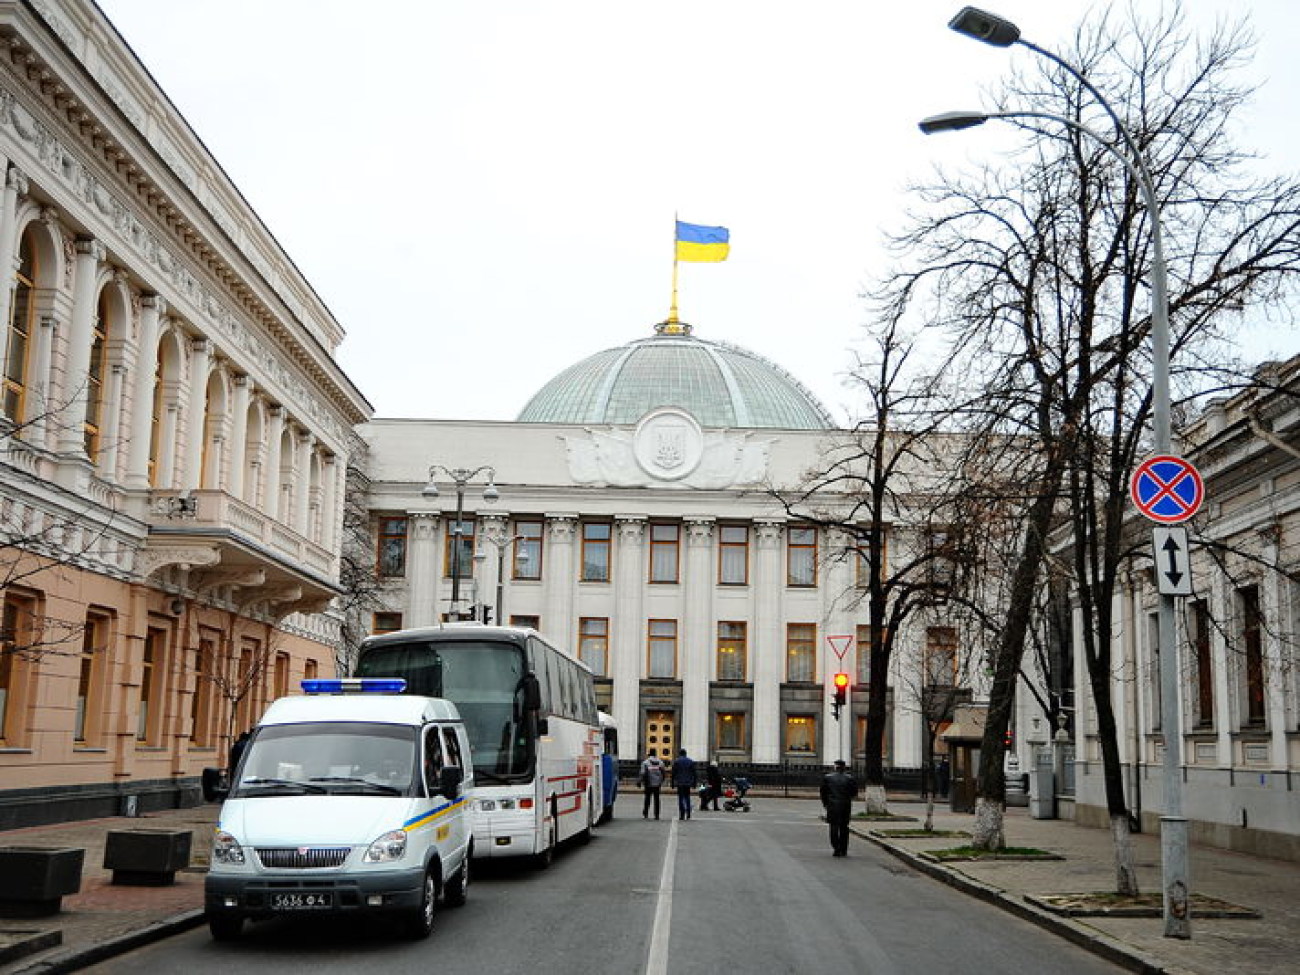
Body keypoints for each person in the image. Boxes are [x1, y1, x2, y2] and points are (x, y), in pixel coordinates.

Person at [820, 759, 859, 856]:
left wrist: (825, 803)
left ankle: (836, 848)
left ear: (835, 767)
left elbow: (823, 792)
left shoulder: (828, 778)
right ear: (844, 767)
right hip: (845, 805)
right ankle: (844, 849)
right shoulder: (850, 778)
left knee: (833, 827)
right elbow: (854, 792)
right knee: (844, 827)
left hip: (832, 805)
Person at [670, 747, 697, 820]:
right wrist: (694, 783)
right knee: (687, 797)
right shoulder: (690, 761)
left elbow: (673, 773)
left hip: (680, 783)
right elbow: (694, 773)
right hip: (688, 783)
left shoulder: (677, 761)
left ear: (679, 754)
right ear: (685, 754)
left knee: (681, 798)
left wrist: (672, 783)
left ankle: (682, 814)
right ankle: (688, 813)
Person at [638, 751, 666, 819]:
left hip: (648, 783)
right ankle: (657, 814)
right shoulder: (660, 762)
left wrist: (639, 781)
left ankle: (646, 813)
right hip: (657, 784)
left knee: (647, 798)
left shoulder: (645, 762)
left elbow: (642, 773)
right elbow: (663, 773)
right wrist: (661, 781)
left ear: (649, 755)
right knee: (657, 799)